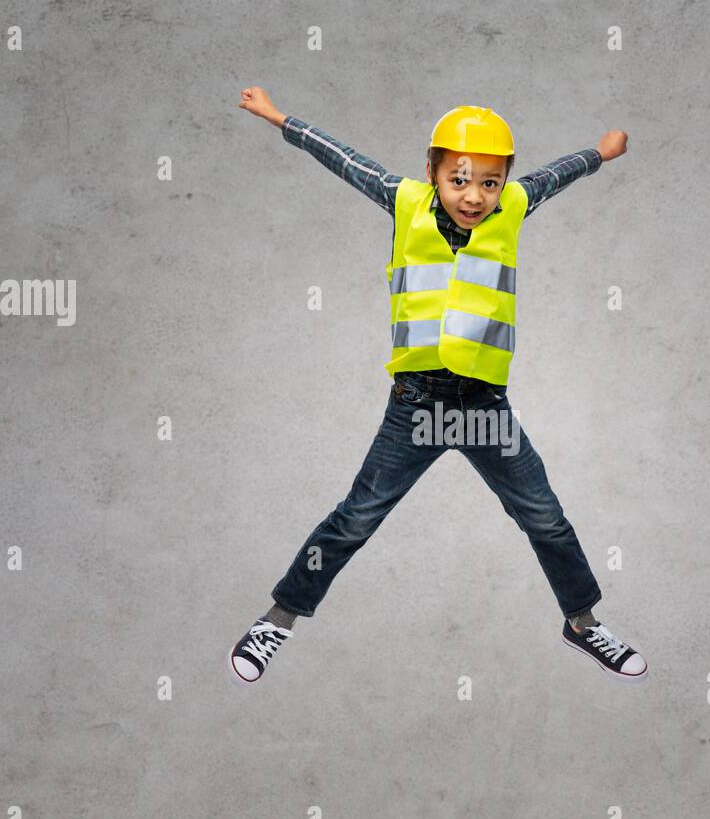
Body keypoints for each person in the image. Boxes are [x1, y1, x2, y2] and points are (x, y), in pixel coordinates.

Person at [228, 88, 646, 685]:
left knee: (545, 518)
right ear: (432, 172)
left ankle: (582, 625)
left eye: (490, 182)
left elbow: (557, 173)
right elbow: (342, 158)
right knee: (355, 519)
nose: (474, 195)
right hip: (414, 408)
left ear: (503, 183)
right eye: (459, 179)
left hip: (484, 409)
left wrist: (600, 154)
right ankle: (278, 618)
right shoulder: (403, 201)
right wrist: (277, 117)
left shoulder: (515, 204)